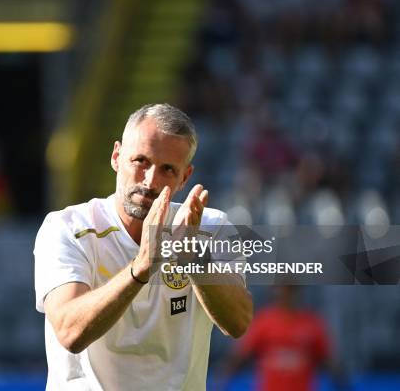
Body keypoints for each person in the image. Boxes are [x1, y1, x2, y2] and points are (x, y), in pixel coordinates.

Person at [34, 103, 253, 390]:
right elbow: (69, 330)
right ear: (116, 156)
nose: (150, 181)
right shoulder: (68, 227)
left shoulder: (210, 227)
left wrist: (192, 257)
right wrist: (142, 266)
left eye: (167, 170)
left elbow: (238, 322)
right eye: (141, 162)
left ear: (185, 177)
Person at [218, 285, 345, 391]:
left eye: (289, 292)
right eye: (282, 292)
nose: (286, 297)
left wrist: (342, 383)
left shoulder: (312, 324)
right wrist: (223, 381)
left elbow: (328, 360)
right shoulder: (264, 322)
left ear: (297, 293)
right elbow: (241, 355)